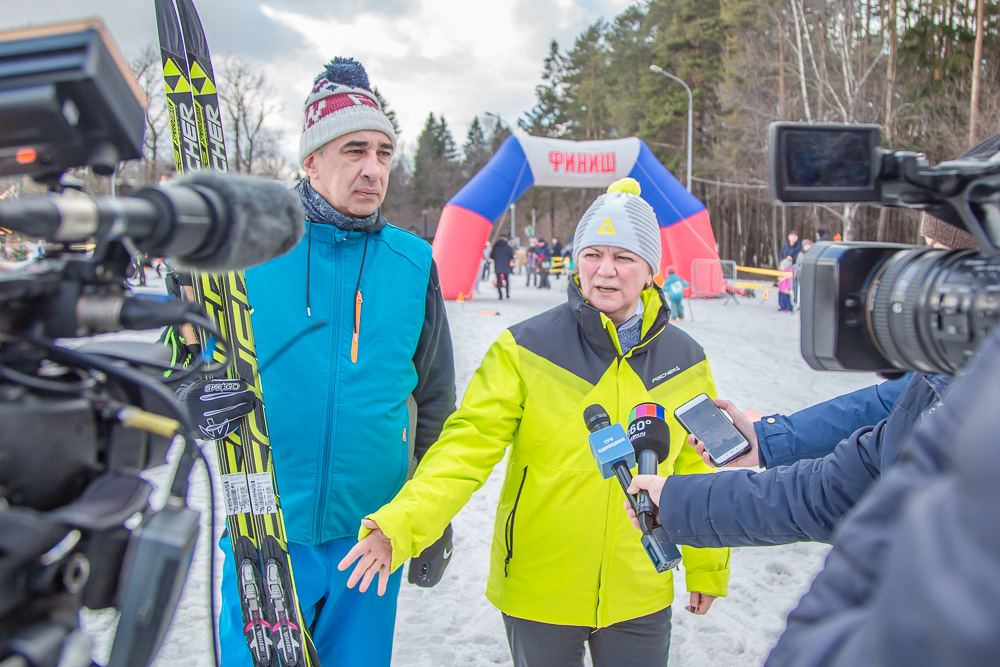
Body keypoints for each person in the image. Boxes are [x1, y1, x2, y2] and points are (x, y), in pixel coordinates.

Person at [339, 178, 730, 667]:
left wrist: (707, 567)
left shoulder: (686, 359)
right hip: (539, 588)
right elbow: (465, 448)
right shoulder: (525, 348)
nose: (605, 271)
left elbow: (699, 466)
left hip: (640, 590)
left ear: (651, 270)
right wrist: (401, 523)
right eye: (593, 254)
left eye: (624, 258)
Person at [216, 57, 457, 667]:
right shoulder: (248, 248)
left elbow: (433, 401)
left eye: (383, 152)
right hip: (267, 530)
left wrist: (422, 519)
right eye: (354, 151)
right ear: (311, 160)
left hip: (369, 538)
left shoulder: (412, 263)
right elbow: (184, 354)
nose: (373, 169)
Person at [490, 233, 515, 299]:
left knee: (498, 280)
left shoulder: (496, 247)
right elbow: (511, 256)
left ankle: (500, 295)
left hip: (497, 266)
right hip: (506, 266)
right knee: (507, 280)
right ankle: (507, 294)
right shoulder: (508, 247)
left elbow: (491, 256)